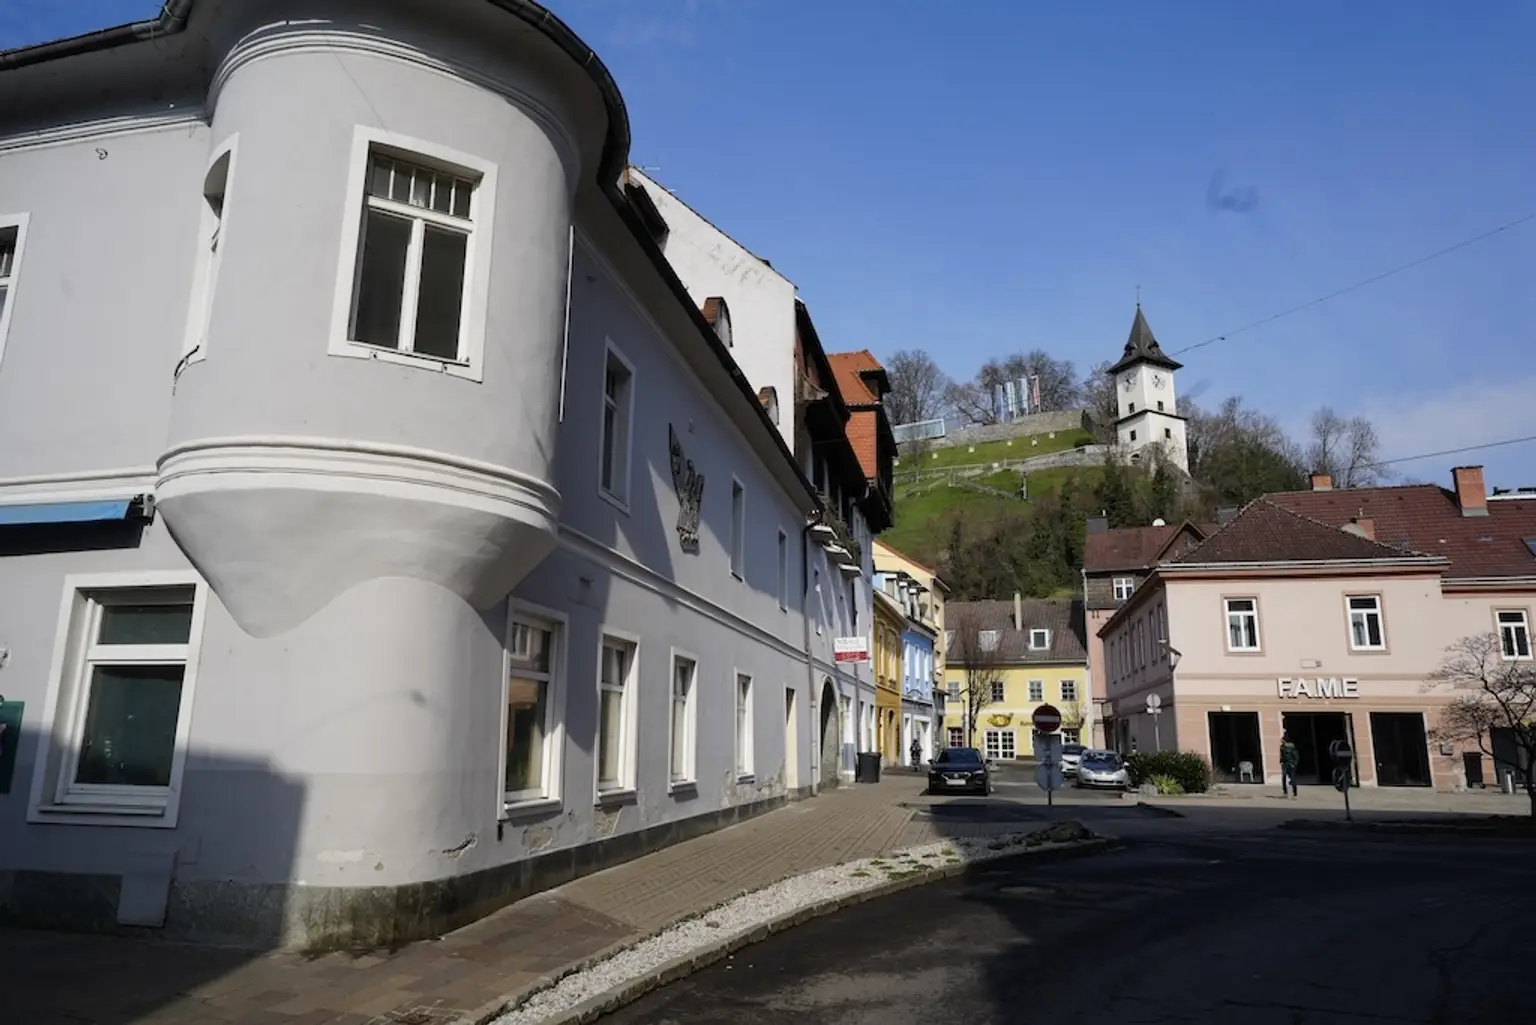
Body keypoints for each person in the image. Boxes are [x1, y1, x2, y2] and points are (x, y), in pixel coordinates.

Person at [1280, 732, 1300, 798]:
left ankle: (1295, 793)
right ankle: (1285, 792)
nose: (1281, 741)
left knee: (1292, 779)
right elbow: (1281, 756)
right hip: (1285, 764)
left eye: (1282, 740)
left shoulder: (1291, 747)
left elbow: (1296, 756)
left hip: (1291, 764)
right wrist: (1281, 762)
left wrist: (1294, 764)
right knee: (1284, 778)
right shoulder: (1282, 747)